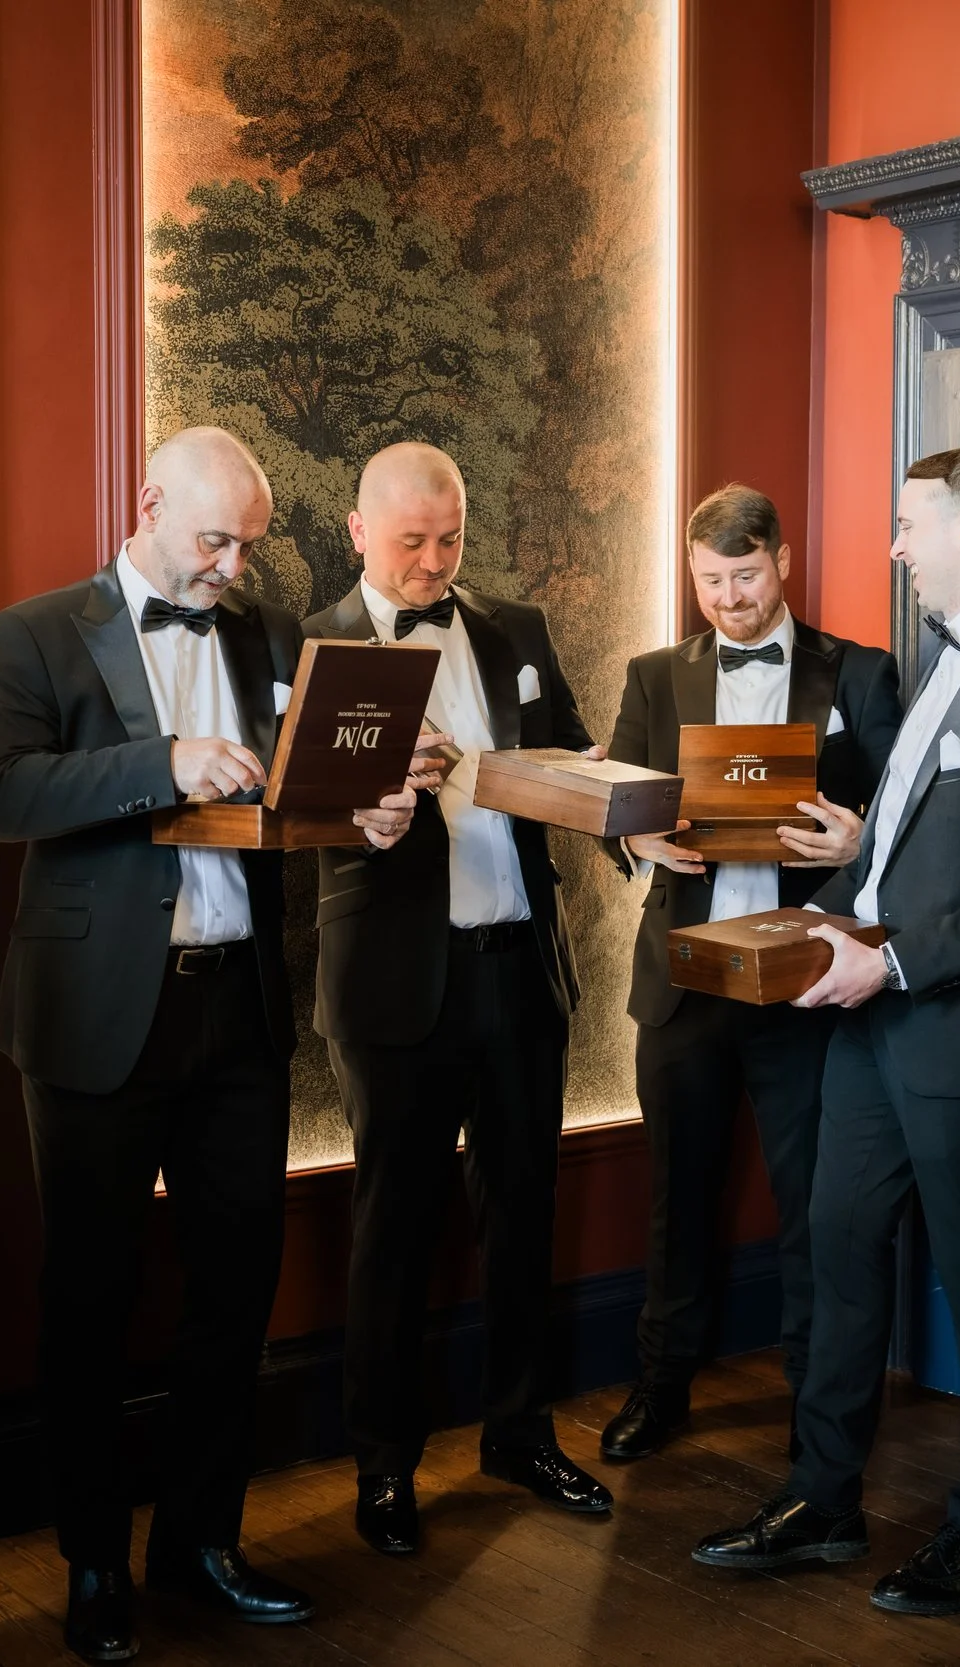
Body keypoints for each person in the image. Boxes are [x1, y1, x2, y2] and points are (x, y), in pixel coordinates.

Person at [0, 427, 414, 1664]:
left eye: (248, 544)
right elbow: (5, 793)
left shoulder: (272, 635)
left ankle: (205, 1542)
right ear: (151, 503)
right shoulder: (37, 632)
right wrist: (158, 761)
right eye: (214, 539)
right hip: (93, 1011)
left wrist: (365, 813)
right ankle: (95, 1560)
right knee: (92, 1297)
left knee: (235, 1289)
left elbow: (304, 796)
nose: (231, 564)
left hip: (237, 1008)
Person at [692, 443, 960, 1618]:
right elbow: (901, 850)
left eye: (910, 522)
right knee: (836, 1253)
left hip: (958, 1036)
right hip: (869, 1026)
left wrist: (894, 957)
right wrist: (828, 909)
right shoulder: (946, 662)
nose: (894, 545)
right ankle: (822, 1499)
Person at [302, 440, 612, 1559]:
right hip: (394, 984)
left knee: (522, 1206)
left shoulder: (514, 631)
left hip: (519, 965)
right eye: (410, 544)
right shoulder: (313, 647)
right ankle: (383, 1465)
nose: (435, 564)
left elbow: (573, 755)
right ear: (357, 533)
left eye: (451, 542)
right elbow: (298, 822)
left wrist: (623, 805)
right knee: (395, 1227)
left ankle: (518, 1429)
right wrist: (374, 795)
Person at [600, 483, 901, 1465]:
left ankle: (814, 1403)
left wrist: (862, 840)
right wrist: (638, 839)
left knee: (813, 1202)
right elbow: (617, 811)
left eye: (743, 574)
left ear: (780, 560)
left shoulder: (859, 672)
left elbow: (904, 829)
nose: (727, 597)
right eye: (708, 580)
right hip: (683, 980)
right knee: (674, 1196)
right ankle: (661, 1385)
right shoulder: (653, 676)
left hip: (805, 982)